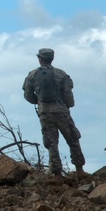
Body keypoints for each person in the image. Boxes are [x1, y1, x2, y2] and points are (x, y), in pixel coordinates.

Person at [23, 47, 86, 177]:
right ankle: (79, 169)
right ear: (52, 59)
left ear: (40, 59)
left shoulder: (32, 75)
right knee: (73, 139)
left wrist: (39, 102)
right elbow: (68, 96)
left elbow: (28, 95)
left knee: (51, 143)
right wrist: (68, 105)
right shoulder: (61, 74)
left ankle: (56, 174)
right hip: (62, 112)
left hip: (45, 113)